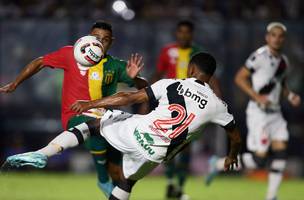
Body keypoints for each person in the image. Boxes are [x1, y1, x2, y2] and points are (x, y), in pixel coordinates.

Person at [6, 52, 242, 200]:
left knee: (95, 124)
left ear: (190, 69)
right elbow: (235, 135)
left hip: (137, 133)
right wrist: (231, 156)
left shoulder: (172, 84)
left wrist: (92, 102)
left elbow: (129, 98)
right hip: (157, 154)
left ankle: (43, 153)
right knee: (127, 182)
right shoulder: (219, 105)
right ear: (211, 76)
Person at [0, 21, 148, 198]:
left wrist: (136, 78)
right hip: (75, 115)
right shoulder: (71, 54)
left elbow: (144, 88)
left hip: (105, 119)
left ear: (112, 42)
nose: (100, 42)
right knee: (97, 128)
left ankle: (110, 187)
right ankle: (46, 156)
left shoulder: (115, 65)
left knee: (119, 175)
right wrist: (15, 83)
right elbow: (40, 62)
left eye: (105, 39)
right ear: (87, 37)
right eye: (96, 38)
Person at [205, 22, 301, 200]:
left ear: (284, 39)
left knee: (281, 152)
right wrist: (256, 96)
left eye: (280, 36)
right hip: (259, 113)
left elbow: (282, 84)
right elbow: (239, 78)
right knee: (259, 160)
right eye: (273, 35)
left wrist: (290, 96)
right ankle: (217, 164)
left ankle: (271, 196)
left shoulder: (284, 61)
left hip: (276, 113)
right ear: (267, 37)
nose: (277, 39)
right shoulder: (259, 57)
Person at [151, 20, 221, 199]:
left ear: (192, 34)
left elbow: (211, 77)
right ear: (176, 33)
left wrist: (218, 98)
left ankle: (180, 187)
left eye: (187, 32)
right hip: (170, 104)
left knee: (186, 147)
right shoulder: (167, 51)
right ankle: (170, 183)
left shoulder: (198, 52)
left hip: (192, 106)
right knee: (168, 146)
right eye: (180, 32)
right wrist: (147, 97)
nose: (183, 35)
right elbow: (159, 73)